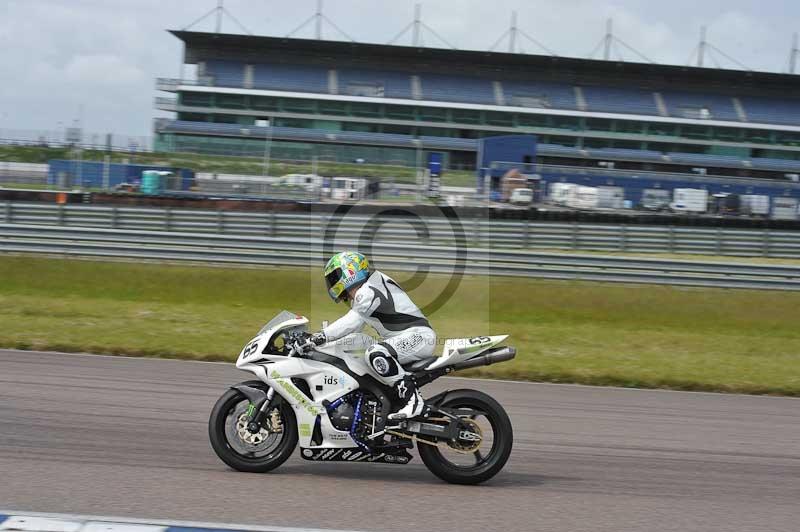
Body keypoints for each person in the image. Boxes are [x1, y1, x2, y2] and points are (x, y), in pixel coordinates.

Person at [307, 251, 435, 420]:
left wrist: (319, 337)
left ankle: (414, 402)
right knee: (359, 349)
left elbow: (351, 322)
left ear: (350, 272)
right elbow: (355, 326)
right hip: (411, 337)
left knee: (376, 353)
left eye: (335, 276)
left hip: (419, 337)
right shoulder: (371, 286)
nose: (332, 282)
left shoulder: (368, 291)